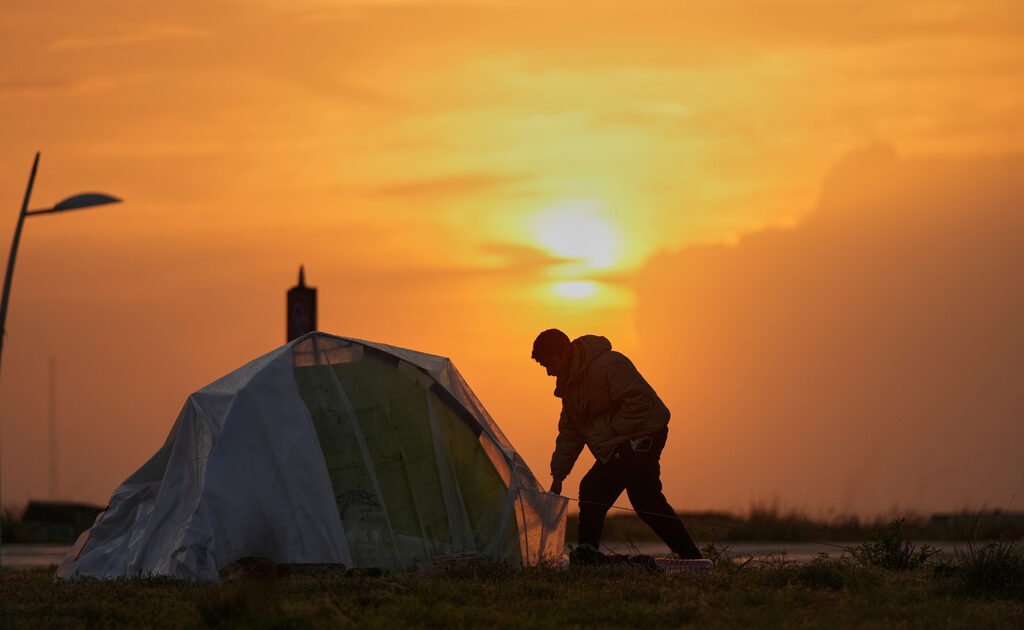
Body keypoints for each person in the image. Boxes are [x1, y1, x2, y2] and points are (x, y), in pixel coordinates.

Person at [531, 328, 702, 560]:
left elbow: (640, 400)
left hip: (645, 435)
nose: (549, 372)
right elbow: (570, 434)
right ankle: (692, 557)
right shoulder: (570, 388)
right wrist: (558, 476)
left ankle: (586, 555)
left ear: (565, 351)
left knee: (593, 487)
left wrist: (610, 433)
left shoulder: (609, 365)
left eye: (550, 364)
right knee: (646, 500)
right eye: (544, 367)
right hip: (622, 442)